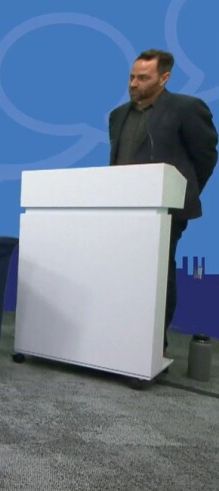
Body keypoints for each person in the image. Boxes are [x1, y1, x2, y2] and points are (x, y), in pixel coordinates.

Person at [108, 49, 218, 349]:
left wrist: (179, 193)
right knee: (123, 273)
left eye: (143, 78)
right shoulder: (117, 116)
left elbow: (205, 157)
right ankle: (123, 338)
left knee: (157, 275)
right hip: (122, 210)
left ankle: (154, 346)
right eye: (132, 76)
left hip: (166, 211)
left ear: (164, 78)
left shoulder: (187, 108)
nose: (133, 83)